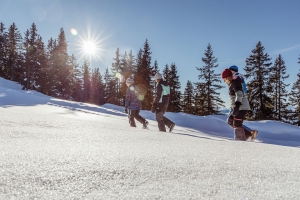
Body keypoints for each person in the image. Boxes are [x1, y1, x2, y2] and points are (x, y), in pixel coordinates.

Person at [221, 68, 254, 141]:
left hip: (241, 107)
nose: (224, 81)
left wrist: (237, 105)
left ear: (228, 77)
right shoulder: (233, 83)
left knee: (237, 123)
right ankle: (248, 135)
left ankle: (240, 141)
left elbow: (239, 93)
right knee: (231, 121)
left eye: (225, 79)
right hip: (238, 107)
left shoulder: (235, 83)